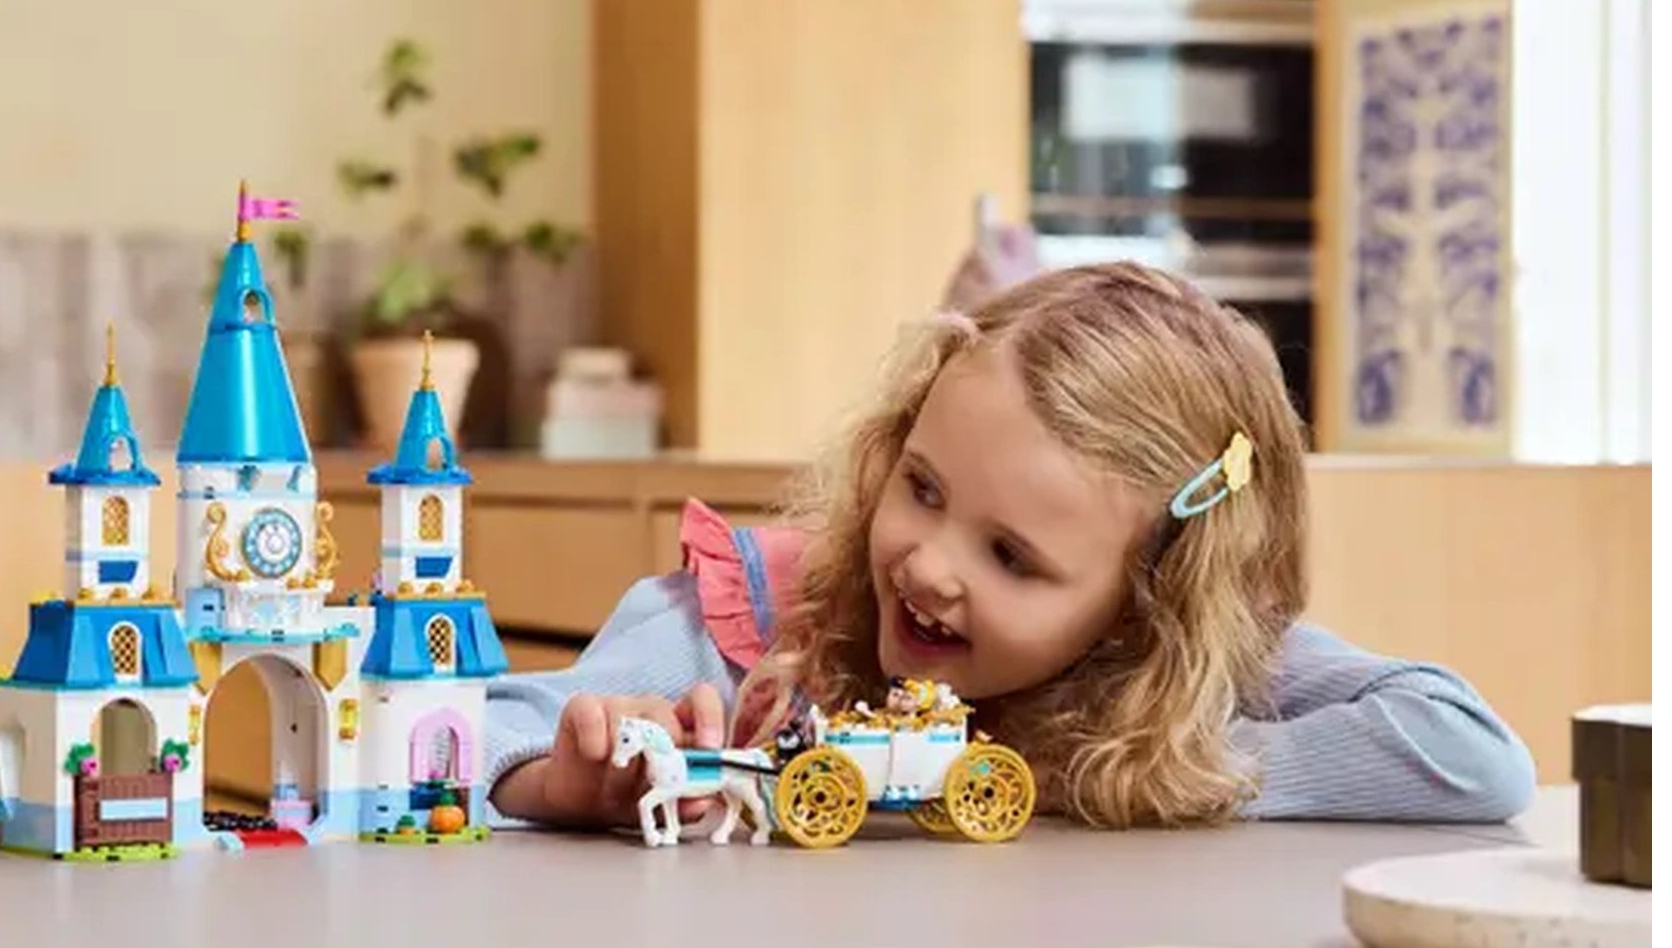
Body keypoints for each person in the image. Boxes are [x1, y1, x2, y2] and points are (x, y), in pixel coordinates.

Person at [486, 264, 1535, 831]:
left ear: (1147, 601)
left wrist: (1139, 766)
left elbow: (1468, 751)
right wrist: (556, 782)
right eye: (923, 487)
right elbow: (473, 737)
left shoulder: (1170, 663)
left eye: (1013, 558)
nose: (931, 565)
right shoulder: (752, 611)